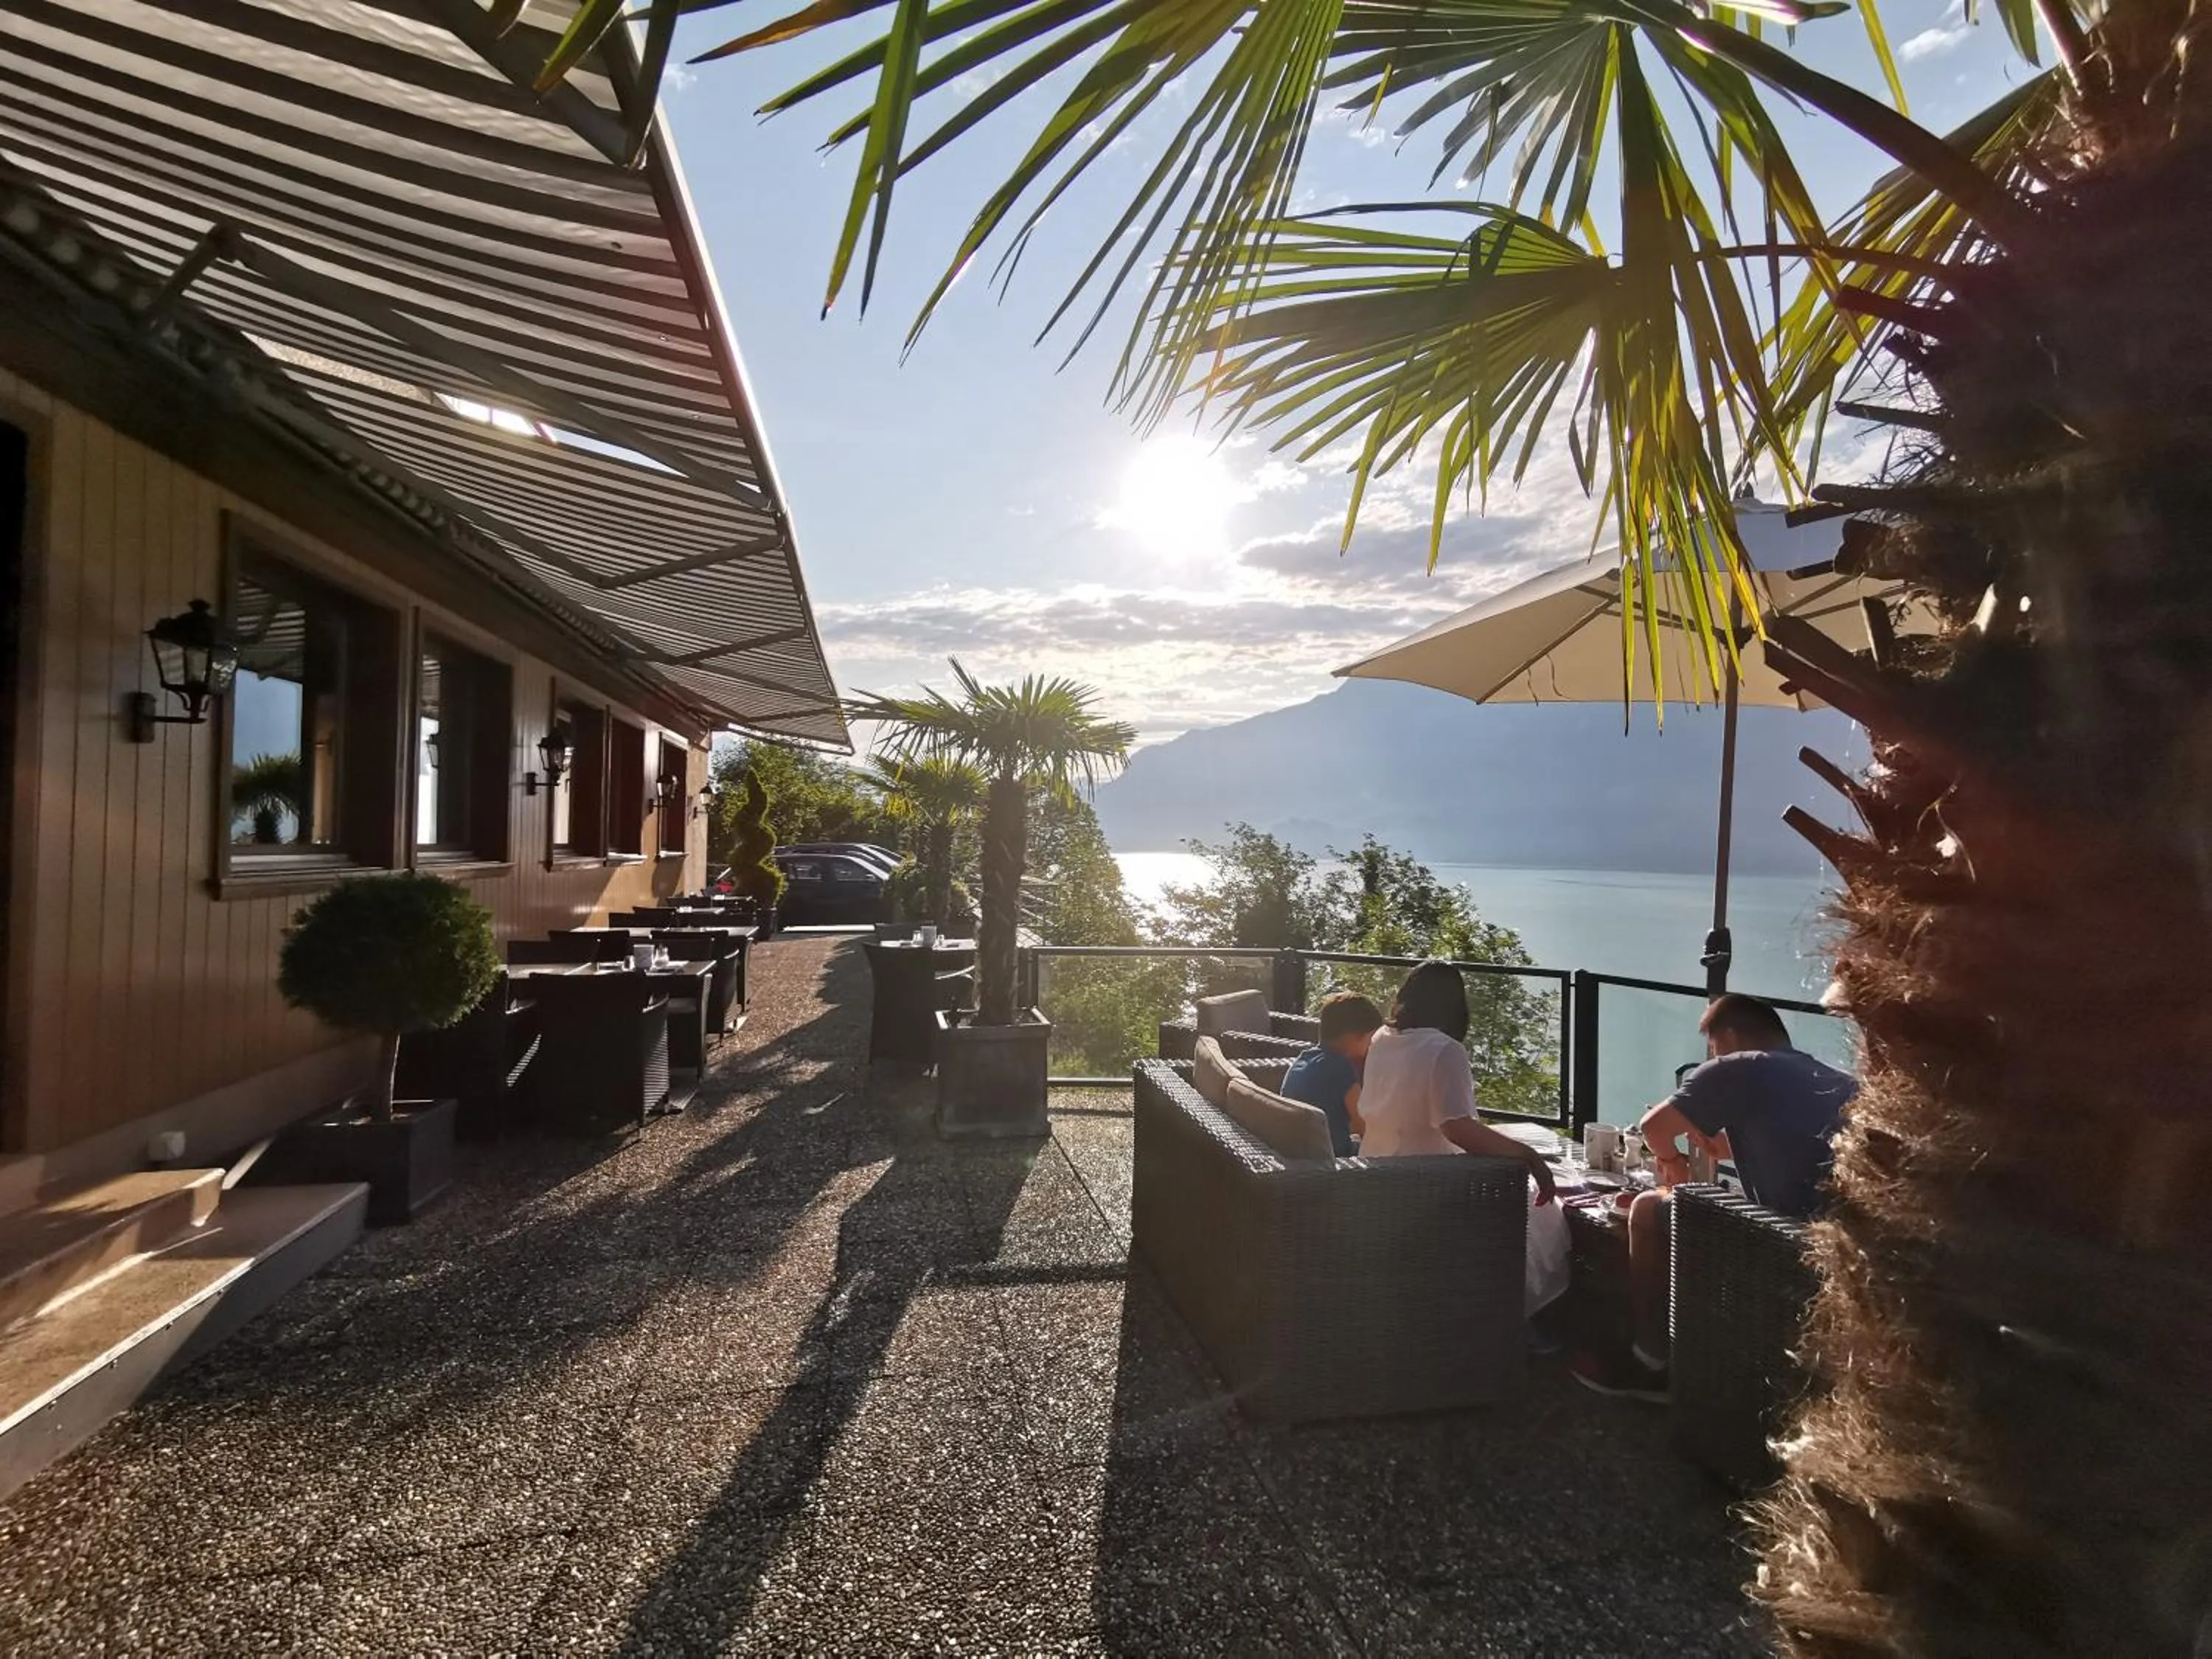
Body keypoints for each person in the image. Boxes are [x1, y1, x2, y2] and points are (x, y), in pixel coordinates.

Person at [1574, 992, 1857, 1402]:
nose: (1713, 1057)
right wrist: (1719, 1145)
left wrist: (1673, 1164)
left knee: (1648, 1208)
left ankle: (1651, 1361)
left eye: (1713, 1049)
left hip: (1783, 1242)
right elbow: (1782, 1145)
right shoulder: (1829, 1078)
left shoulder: (1743, 1066)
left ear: (1727, 1036)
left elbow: (1654, 1128)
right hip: (1840, 1245)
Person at [1357, 963, 1566, 1315]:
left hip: (1376, 1176)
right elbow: (1457, 1128)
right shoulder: (1444, 1050)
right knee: (1544, 1215)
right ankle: (1525, 1317)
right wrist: (1529, 1156)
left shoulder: (1382, 1039)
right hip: (1429, 1190)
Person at [1279, 991, 1382, 1158]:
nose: (1371, 1046)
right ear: (1354, 1037)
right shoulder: (1341, 1068)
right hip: (1335, 1162)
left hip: (1301, 1157)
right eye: (1370, 1039)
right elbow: (1365, 1128)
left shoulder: (1303, 1059)